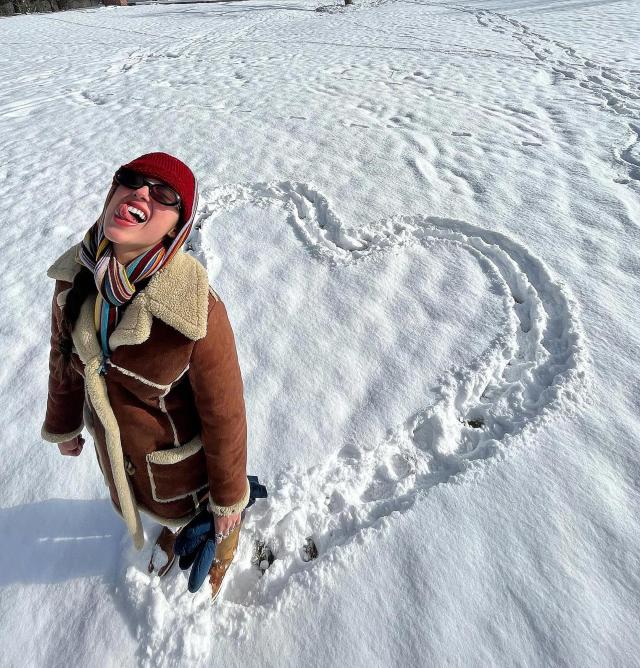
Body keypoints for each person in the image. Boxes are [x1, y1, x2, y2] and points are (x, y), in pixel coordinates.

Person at [41, 152, 250, 602]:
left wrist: (230, 500)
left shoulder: (197, 313)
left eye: (163, 194)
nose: (140, 192)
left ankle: (208, 542)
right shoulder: (73, 278)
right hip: (118, 459)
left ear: (176, 228)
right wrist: (63, 424)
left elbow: (225, 416)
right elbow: (63, 360)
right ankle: (169, 528)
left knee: (191, 516)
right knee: (138, 504)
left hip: (179, 473)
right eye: (131, 180)